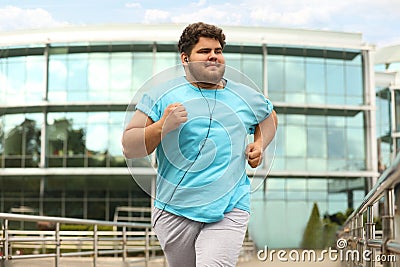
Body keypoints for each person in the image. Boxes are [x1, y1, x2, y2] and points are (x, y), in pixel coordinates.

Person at [122, 22, 277, 267]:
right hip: (175, 208)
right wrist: (163, 125)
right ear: (185, 58)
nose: (214, 56)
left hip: (231, 205)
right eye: (204, 51)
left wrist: (259, 144)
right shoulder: (161, 95)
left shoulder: (245, 96)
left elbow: (269, 117)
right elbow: (130, 146)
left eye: (218, 50)